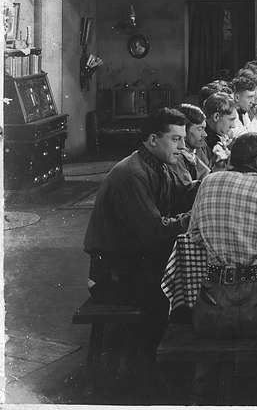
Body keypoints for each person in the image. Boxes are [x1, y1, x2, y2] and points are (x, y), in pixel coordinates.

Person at [83, 108, 198, 388]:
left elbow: (180, 195)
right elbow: (155, 232)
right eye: (176, 139)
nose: (183, 147)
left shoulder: (156, 164)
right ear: (152, 140)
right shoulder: (131, 174)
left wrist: (209, 186)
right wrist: (197, 216)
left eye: (183, 139)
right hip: (116, 275)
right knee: (195, 284)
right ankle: (155, 375)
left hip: (135, 262)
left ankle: (177, 360)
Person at [188, 132, 257, 403]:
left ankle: (207, 393)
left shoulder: (208, 182)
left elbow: (194, 237)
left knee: (215, 347)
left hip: (213, 305)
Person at [171, 103, 212, 185]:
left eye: (204, 129)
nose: (205, 134)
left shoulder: (199, 148)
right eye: (200, 129)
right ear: (184, 130)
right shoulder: (176, 156)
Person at [203, 93, 237, 170]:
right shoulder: (202, 142)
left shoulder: (220, 135)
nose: (233, 126)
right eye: (231, 120)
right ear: (216, 117)